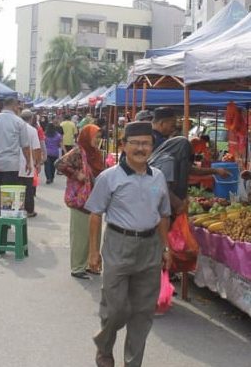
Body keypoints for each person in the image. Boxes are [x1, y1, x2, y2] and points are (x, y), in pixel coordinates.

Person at [85, 121, 173, 367]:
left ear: (152, 147)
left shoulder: (158, 176)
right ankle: (104, 347)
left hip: (150, 248)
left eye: (146, 143)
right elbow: (95, 214)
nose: (140, 148)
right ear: (123, 146)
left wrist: (165, 247)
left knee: (143, 313)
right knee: (116, 310)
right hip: (118, 244)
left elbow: (164, 215)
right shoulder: (109, 177)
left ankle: (132, 363)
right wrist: (93, 252)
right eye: (135, 143)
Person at [57, 123, 105, 280]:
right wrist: (76, 174)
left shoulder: (96, 154)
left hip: (95, 199)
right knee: (80, 235)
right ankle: (78, 267)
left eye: (99, 137)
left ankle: (91, 264)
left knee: (95, 234)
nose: (97, 140)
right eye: (95, 137)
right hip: (80, 200)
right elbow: (60, 164)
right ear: (87, 137)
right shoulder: (78, 151)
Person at [0, 97, 33, 218]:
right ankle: (7, 218)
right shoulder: (19, 122)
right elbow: (25, 145)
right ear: (14, 106)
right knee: (9, 194)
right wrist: (28, 162)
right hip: (11, 165)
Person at [19, 110, 43, 218]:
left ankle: (16, 208)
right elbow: (36, 148)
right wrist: (37, 163)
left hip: (13, 164)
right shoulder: (32, 130)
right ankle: (29, 210)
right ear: (31, 118)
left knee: (16, 186)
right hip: (27, 163)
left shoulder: (15, 128)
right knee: (28, 188)